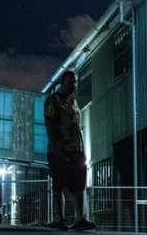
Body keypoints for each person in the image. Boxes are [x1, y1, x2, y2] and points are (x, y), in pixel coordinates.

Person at [44, 71, 95, 231]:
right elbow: (49, 125)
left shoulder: (73, 100)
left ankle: (80, 218)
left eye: (75, 82)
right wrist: (56, 148)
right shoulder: (53, 100)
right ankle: (60, 219)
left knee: (79, 185)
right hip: (60, 150)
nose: (73, 85)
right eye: (70, 82)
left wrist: (82, 149)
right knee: (59, 184)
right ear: (62, 83)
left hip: (76, 150)